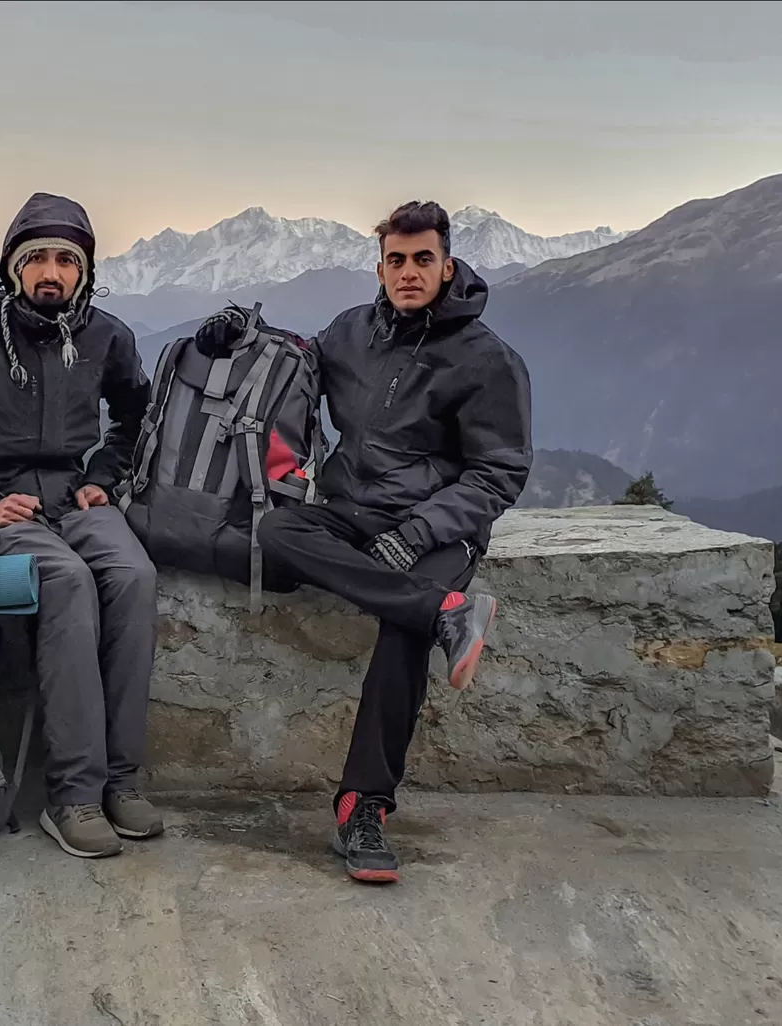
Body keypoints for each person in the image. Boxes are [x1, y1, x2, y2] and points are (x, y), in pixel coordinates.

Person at [258, 200, 532, 884]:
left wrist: (419, 531)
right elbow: (298, 368)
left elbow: (499, 473)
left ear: (447, 264)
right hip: (352, 511)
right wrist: (238, 342)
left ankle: (365, 806)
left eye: (423, 260)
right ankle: (445, 613)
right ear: (379, 266)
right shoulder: (352, 332)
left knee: (400, 630)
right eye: (396, 260)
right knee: (277, 529)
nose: (408, 273)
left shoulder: (486, 358)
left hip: (441, 526)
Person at [0, 192, 162, 860]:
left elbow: (138, 419)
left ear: (84, 270)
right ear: (13, 267)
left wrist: (106, 473)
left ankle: (121, 780)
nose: (51, 272)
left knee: (133, 575)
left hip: (77, 497)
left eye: (65, 261)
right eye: (36, 258)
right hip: (0, 500)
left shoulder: (107, 335)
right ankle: (72, 793)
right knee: (66, 581)